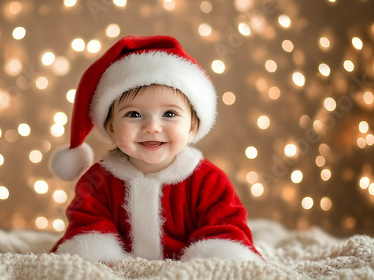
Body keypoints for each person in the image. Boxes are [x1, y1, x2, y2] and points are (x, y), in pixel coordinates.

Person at [49, 35, 263, 265]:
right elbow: (85, 227)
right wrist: (98, 256)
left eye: (169, 114)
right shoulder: (97, 182)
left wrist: (215, 259)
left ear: (191, 127)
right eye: (133, 114)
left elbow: (226, 228)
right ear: (111, 128)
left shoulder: (208, 181)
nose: (151, 127)